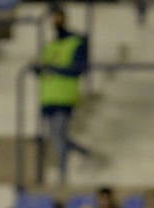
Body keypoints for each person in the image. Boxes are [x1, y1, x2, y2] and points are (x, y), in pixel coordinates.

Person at [38, 5, 95, 184]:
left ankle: (63, 174)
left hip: (64, 97)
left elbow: (77, 69)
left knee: (58, 137)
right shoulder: (51, 45)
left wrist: (53, 69)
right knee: (56, 137)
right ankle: (83, 154)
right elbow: (44, 69)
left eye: (57, 16)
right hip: (48, 98)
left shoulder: (76, 42)